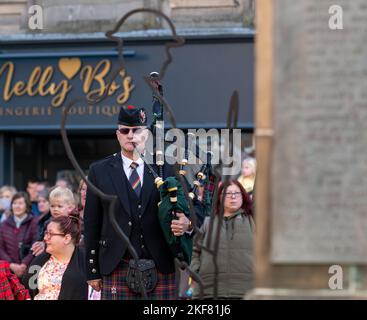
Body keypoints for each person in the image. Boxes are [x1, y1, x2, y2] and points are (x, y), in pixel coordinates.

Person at [84, 105, 192, 300]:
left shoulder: (166, 169)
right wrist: (92, 269)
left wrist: (186, 222)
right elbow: (92, 222)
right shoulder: (98, 171)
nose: (130, 136)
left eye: (137, 130)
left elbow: (191, 210)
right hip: (116, 263)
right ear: (118, 134)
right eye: (125, 131)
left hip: (160, 262)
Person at [190, 180, 255, 299]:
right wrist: (196, 271)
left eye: (237, 193)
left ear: (243, 196)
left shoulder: (254, 222)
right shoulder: (207, 223)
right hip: (209, 291)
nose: (233, 196)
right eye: (228, 194)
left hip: (246, 290)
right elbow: (195, 251)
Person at [23, 212, 87, 300]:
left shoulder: (85, 263)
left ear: (66, 238)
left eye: (50, 234)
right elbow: (27, 290)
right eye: (46, 233)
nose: (45, 238)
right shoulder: (40, 260)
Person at [0, 192, 39, 278]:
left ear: (27, 205)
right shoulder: (3, 225)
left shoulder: (34, 222)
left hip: (28, 270)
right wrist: (11, 264)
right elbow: (1, 248)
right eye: (15, 203)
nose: (17, 206)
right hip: (8, 270)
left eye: (20, 203)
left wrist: (24, 264)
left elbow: (35, 245)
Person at [31, 186, 76, 257]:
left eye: (59, 206)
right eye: (52, 206)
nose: (55, 209)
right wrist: (39, 244)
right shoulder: (48, 223)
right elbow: (41, 239)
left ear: (70, 208)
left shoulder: (74, 224)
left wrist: (45, 245)